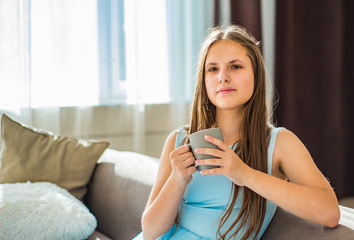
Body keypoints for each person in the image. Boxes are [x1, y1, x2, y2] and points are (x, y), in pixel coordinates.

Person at [134, 25, 340, 240]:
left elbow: (329, 214)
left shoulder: (279, 143)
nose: (222, 77)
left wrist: (245, 174)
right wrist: (177, 180)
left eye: (235, 66)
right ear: (203, 81)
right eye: (212, 69)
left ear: (255, 74)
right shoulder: (179, 140)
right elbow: (150, 232)